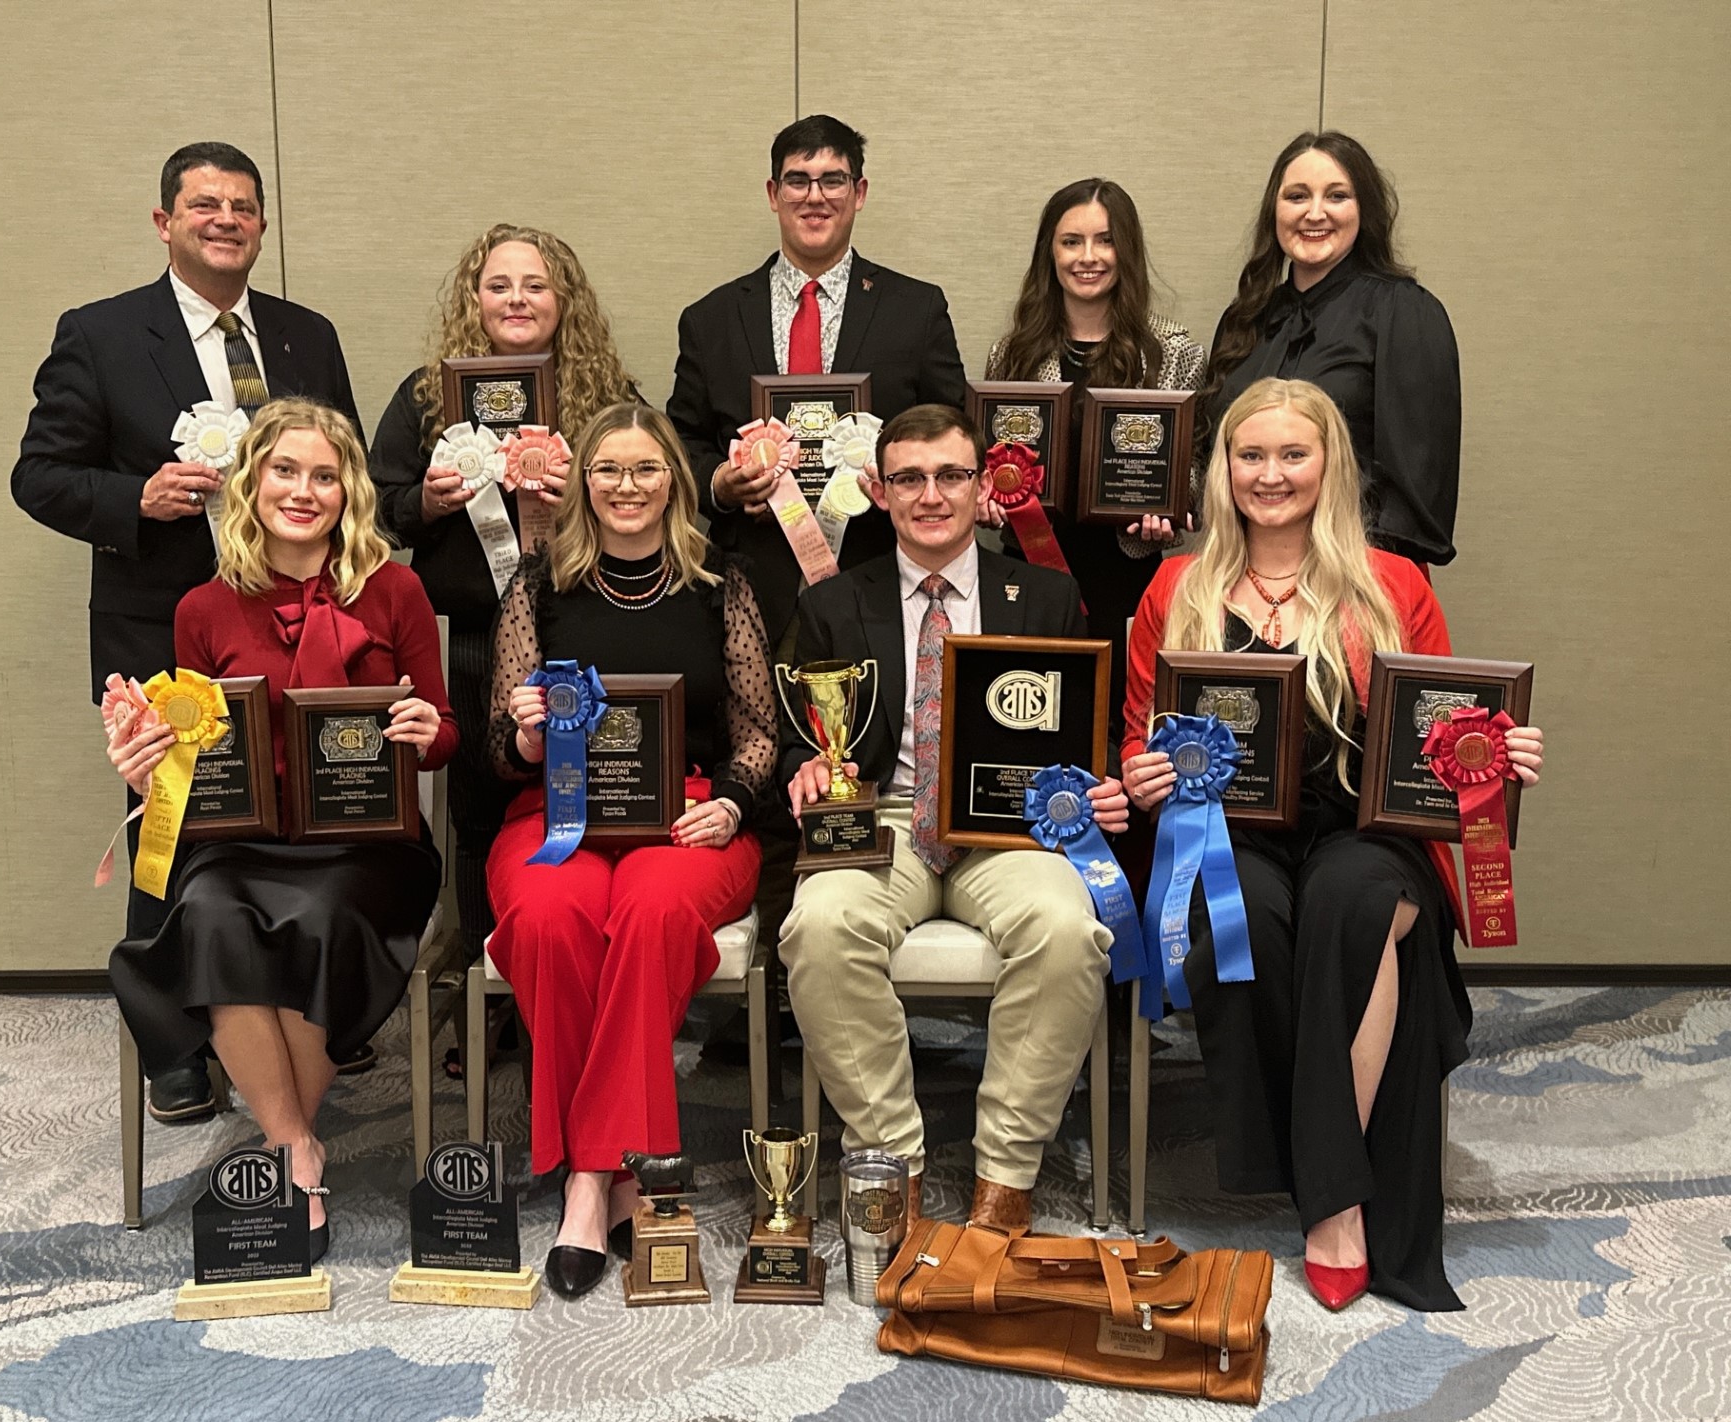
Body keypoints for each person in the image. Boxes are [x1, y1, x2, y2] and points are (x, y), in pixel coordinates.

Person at [1121, 378, 1545, 1312]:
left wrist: (1498, 755)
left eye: (1292, 454)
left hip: (1365, 829)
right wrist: (1143, 776)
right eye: (1250, 455)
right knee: (1244, 918)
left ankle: (1333, 1203)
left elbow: (1442, 728)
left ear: (1329, 465)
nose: (1270, 474)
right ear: (1224, 470)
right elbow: (1136, 733)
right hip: (1228, 835)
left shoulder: (1395, 584)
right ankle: (1336, 1174)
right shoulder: (1174, 589)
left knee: (1355, 906)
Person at [13, 142, 362, 1123]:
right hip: (163, 629)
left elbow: (343, 466)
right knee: (170, 831)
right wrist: (138, 496)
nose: (225, 220)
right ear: (164, 222)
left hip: (298, 624)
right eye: (204, 205)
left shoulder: (304, 336)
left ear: (263, 226)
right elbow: (39, 475)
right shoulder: (100, 334)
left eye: (243, 207)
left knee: (303, 811)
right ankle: (173, 1044)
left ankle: (306, 1010)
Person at [106, 400, 455, 1261]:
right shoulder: (203, 608)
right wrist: (147, 767)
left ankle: (282, 1142)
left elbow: (445, 731)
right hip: (243, 841)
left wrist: (425, 731)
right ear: (251, 484)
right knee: (213, 915)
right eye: (285, 471)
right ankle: (295, 1144)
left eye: (325, 476)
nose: (304, 491)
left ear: (350, 492)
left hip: (369, 845)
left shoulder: (396, 590)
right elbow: (193, 753)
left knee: (323, 917)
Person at [778, 404, 1127, 1231]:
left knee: (1068, 932)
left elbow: (1089, 728)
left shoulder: (1045, 596)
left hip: (1010, 828)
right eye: (909, 478)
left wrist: (1100, 783)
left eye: (950, 476)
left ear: (981, 488)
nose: (930, 496)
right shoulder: (835, 602)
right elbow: (801, 727)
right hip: (884, 819)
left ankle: (1006, 1175)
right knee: (819, 927)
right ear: (879, 490)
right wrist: (807, 767)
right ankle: (889, 1162)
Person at [484, 403, 774, 1298]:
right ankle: (617, 1173)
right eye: (607, 468)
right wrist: (527, 736)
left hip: (689, 814)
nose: (627, 486)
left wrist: (732, 804)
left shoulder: (720, 584)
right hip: (556, 812)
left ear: (674, 482)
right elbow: (501, 743)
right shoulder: (539, 586)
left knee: (649, 910)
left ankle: (585, 1176)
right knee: (548, 915)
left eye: (647, 468)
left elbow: (760, 732)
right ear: (583, 482)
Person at [368, 224, 642, 1045]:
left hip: (586, 630)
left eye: (535, 284)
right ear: (474, 298)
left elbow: (656, 496)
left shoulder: (609, 392)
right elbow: (375, 508)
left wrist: (581, 497)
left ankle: (579, 982)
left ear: (564, 300)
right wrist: (428, 501)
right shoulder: (427, 397)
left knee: (592, 800)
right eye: (499, 285)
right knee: (479, 813)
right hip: (472, 639)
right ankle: (494, 997)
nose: (517, 299)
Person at [667, 113, 967, 649]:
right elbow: (680, 442)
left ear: (859, 192)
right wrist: (721, 484)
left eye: (833, 180)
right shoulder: (711, 319)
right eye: (797, 180)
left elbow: (954, 433)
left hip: (881, 581)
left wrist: (898, 477)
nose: (815, 197)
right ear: (773, 193)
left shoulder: (916, 310)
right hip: (752, 589)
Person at [986, 176, 1206, 743]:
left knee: (1123, 725)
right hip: (1031, 569)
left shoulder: (1171, 350)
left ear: (1126, 250)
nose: (1089, 257)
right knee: (1032, 721)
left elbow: (1197, 466)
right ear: (1050, 252)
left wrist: (1174, 508)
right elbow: (988, 459)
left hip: (1126, 572)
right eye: (1071, 241)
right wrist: (985, 497)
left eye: (1105, 240)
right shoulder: (1012, 352)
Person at [1196, 131, 1460, 568]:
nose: (1314, 213)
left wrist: (1355, 578)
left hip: (1358, 571)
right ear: (1275, 210)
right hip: (1245, 570)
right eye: (1297, 196)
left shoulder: (1404, 313)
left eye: (1337, 196)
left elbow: (1417, 485)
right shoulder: (1244, 319)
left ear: (1364, 210)